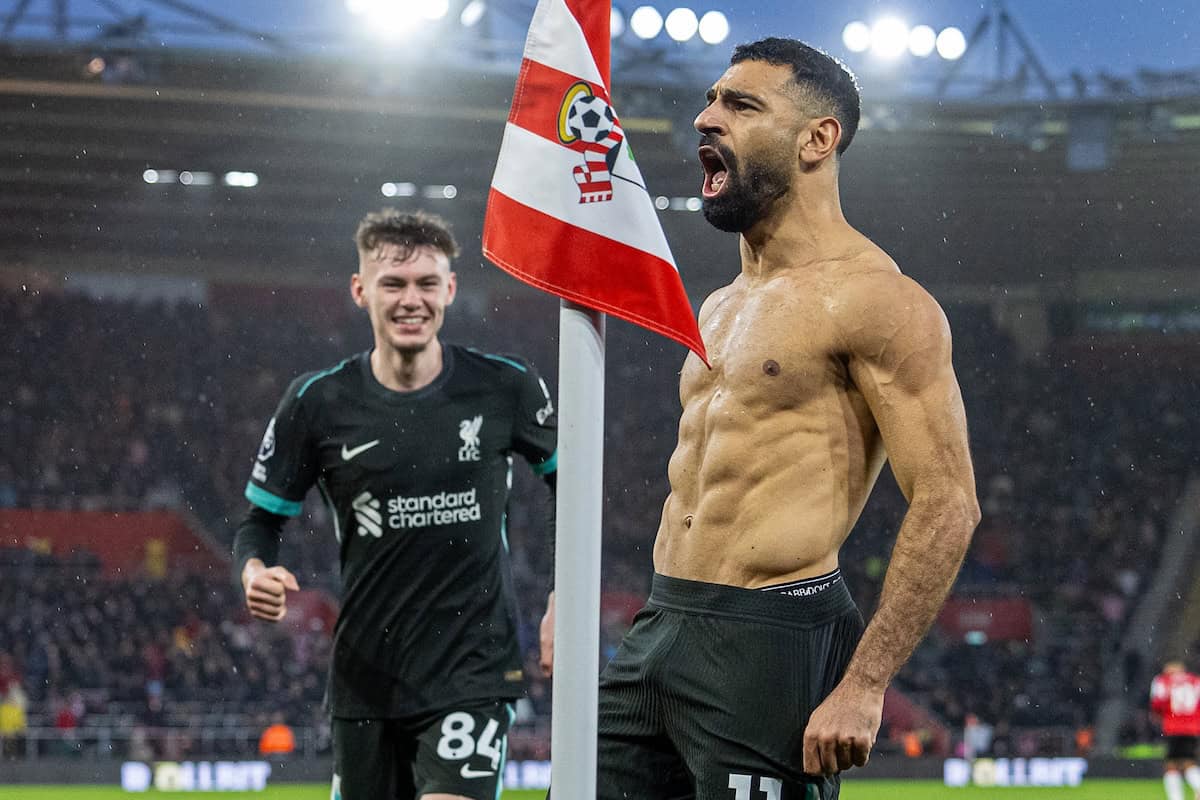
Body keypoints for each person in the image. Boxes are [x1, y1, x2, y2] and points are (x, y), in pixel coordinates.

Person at [581, 38, 979, 799]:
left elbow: (949, 502)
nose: (706, 118)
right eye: (709, 100)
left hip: (771, 634)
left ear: (817, 139)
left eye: (741, 104)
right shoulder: (719, 304)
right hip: (659, 619)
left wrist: (865, 685)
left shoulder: (878, 301)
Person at [233, 208, 557, 800]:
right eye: (394, 283)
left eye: (427, 283)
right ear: (361, 291)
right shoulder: (318, 401)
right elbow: (259, 522)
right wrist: (255, 571)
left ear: (450, 289)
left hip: (473, 670)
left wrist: (567, 597)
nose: (412, 299)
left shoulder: (505, 387)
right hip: (367, 677)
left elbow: (574, 488)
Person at [1150, 660, 1200, 800]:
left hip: (1173, 727)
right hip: (1193, 728)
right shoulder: (1195, 680)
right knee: (1187, 761)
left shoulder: (1163, 681)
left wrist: (1160, 715)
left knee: (1172, 766)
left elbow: (1157, 703)